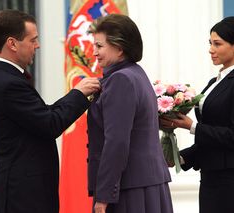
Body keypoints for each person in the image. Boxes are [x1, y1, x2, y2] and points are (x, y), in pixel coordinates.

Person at [0, 9, 100, 213]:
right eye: (32, 40)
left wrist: (77, 94)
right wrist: (79, 94)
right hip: (25, 194)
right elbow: (50, 124)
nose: (38, 45)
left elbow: (43, 114)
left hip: (29, 191)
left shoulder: (7, 78)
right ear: (12, 43)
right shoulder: (7, 83)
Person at [161, 16, 234, 213]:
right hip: (210, 175)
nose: (211, 49)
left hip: (230, 179)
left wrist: (191, 126)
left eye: (217, 44)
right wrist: (179, 158)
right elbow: (210, 141)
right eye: (210, 43)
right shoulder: (215, 81)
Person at [87, 14, 173, 213]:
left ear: (119, 48)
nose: (94, 53)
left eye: (99, 46)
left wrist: (104, 196)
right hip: (144, 184)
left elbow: (116, 142)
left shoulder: (120, 80)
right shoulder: (136, 73)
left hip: (129, 189)